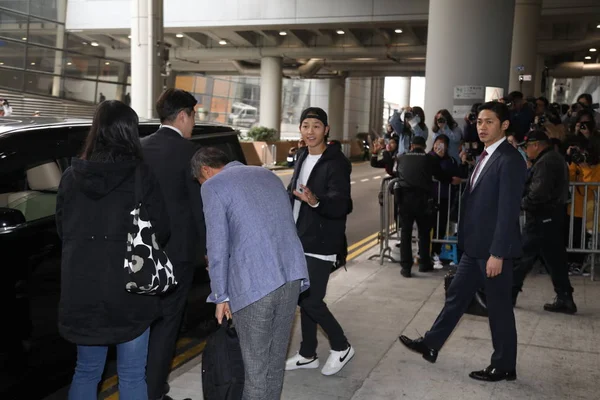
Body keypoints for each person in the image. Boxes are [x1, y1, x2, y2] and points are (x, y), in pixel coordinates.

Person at [399, 101, 527, 382]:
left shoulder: (510, 159)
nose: (482, 127)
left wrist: (498, 253)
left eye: (489, 122)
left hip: (493, 250)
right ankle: (431, 344)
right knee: (456, 297)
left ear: (504, 125)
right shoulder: (484, 156)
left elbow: (507, 211)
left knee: (498, 308)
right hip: (474, 249)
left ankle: (504, 365)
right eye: (479, 121)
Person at [56, 100, 170, 399]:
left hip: (82, 289)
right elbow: (162, 228)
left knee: (86, 371)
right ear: (129, 133)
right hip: (130, 290)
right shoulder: (139, 175)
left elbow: (62, 230)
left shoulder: (70, 176)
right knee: (132, 375)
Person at [192, 147, 309, 400]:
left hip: (254, 284)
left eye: (200, 180)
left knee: (254, 373)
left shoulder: (213, 186)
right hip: (290, 276)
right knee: (274, 366)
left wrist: (220, 296)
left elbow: (217, 247)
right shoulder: (267, 175)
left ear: (205, 170)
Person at [141, 89, 206, 400]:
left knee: (139, 326)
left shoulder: (140, 148)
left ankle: (136, 388)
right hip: (177, 256)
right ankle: (154, 392)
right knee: (167, 328)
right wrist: (209, 249)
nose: (194, 121)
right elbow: (199, 208)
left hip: (140, 254)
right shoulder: (190, 153)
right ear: (183, 115)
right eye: (194, 115)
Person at [285, 107, 355, 376]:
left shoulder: (336, 162)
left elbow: (341, 204)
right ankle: (307, 353)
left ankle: (341, 345)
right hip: (299, 237)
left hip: (322, 240)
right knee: (304, 298)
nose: (310, 131)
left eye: (316, 126)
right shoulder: (302, 155)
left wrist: (315, 200)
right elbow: (293, 191)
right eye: (305, 125)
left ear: (326, 130)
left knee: (312, 300)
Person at [512, 130, 576, 313]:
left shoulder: (546, 162)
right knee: (555, 260)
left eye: (527, 147)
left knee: (522, 256)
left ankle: (508, 294)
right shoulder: (552, 159)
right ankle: (565, 298)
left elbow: (538, 193)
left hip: (541, 218)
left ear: (536, 145)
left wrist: (521, 203)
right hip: (552, 217)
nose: (526, 151)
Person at [396, 136, 460, 277]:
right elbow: (441, 176)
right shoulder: (429, 159)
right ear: (424, 146)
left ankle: (406, 268)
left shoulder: (402, 157)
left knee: (406, 233)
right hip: (423, 200)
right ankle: (424, 263)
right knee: (424, 232)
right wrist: (452, 180)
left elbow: (397, 174)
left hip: (405, 199)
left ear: (411, 146)